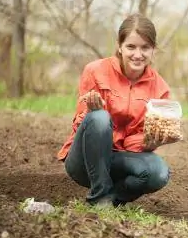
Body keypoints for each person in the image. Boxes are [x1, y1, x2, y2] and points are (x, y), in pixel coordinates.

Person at [57, 13, 178, 207]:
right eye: (131, 46)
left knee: (159, 173)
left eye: (145, 47)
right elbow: (80, 126)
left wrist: (151, 141)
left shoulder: (160, 88)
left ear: (153, 49)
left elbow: (140, 141)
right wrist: (91, 115)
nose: (138, 54)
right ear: (119, 46)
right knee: (99, 118)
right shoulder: (95, 71)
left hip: (122, 160)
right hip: (85, 161)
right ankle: (100, 195)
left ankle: (110, 200)